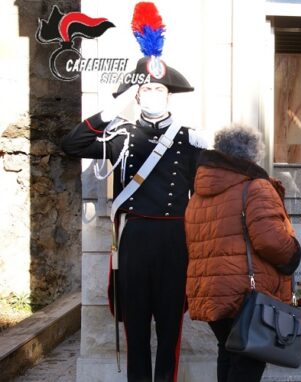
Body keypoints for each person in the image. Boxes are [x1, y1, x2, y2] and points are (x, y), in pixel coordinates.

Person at [61, 3, 207, 380]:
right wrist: (112, 108)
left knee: (170, 331)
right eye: (147, 89)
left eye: (160, 88)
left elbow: (207, 194)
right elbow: (72, 144)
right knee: (136, 330)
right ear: (138, 96)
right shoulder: (121, 135)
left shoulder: (191, 140)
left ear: (169, 95)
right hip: (135, 240)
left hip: (176, 240)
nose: (154, 94)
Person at [184, 124, 301, 382]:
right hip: (245, 293)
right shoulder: (255, 187)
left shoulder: (198, 194)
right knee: (248, 362)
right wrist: (294, 253)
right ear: (252, 154)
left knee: (228, 353)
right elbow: (271, 240)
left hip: (211, 291)